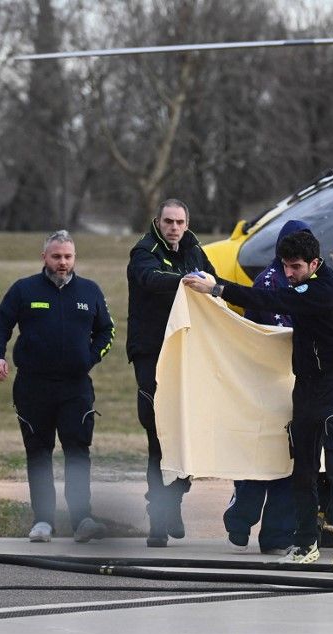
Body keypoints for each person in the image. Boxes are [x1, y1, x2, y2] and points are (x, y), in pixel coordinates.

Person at [182, 229, 333, 577]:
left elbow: (269, 301)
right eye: (286, 266)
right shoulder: (329, 278)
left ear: (314, 264)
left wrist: (217, 288)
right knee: (302, 470)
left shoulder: (319, 289)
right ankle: (305, 545)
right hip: (306, 388)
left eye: (296, 267)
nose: (289, 274)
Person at [0, 230, 115, 543]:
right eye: (56, 256)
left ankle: (82, 519)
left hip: (75, 388)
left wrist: (89, 357)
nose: (62, 262)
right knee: (39, 453)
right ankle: (42, 520)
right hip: (33, 387)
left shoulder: (90, 291)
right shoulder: (23, 289)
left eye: (68, 256)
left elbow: (106, 332)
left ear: (74, 258)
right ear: (44, 257)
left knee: (77, 451)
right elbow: (0, 326)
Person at [127, 198, 215, 547]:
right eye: (168, 221)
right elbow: (150, 279)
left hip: (187, 350)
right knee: (158, 435)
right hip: (152, 351)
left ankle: (175, 498)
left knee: (188, 430)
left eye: (180, 222)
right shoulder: (143, 251)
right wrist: (190, 280)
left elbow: (214, 281)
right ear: (158, 221)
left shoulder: (194, 249)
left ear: (187, 222)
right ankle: (158, 516)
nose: (174, 227)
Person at [223, 220, 309, 555]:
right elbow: (278, 334)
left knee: (289, 462)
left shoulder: (306, 282)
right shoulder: (269, 282)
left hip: (295, 386)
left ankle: (275, 533)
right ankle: (240, 517)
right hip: (266, 384)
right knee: (261, 459)